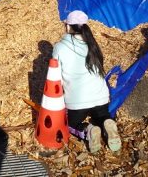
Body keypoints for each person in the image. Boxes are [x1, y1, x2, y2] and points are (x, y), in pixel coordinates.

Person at [52, 10, 121, 153]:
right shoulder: (92, 44)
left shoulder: (59, 47)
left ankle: (88, 130)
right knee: (101, 115)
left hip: (77, 101)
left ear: (67, 26)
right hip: (101, 96)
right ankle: (107, 123)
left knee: (72, 123)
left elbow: (55, 76)